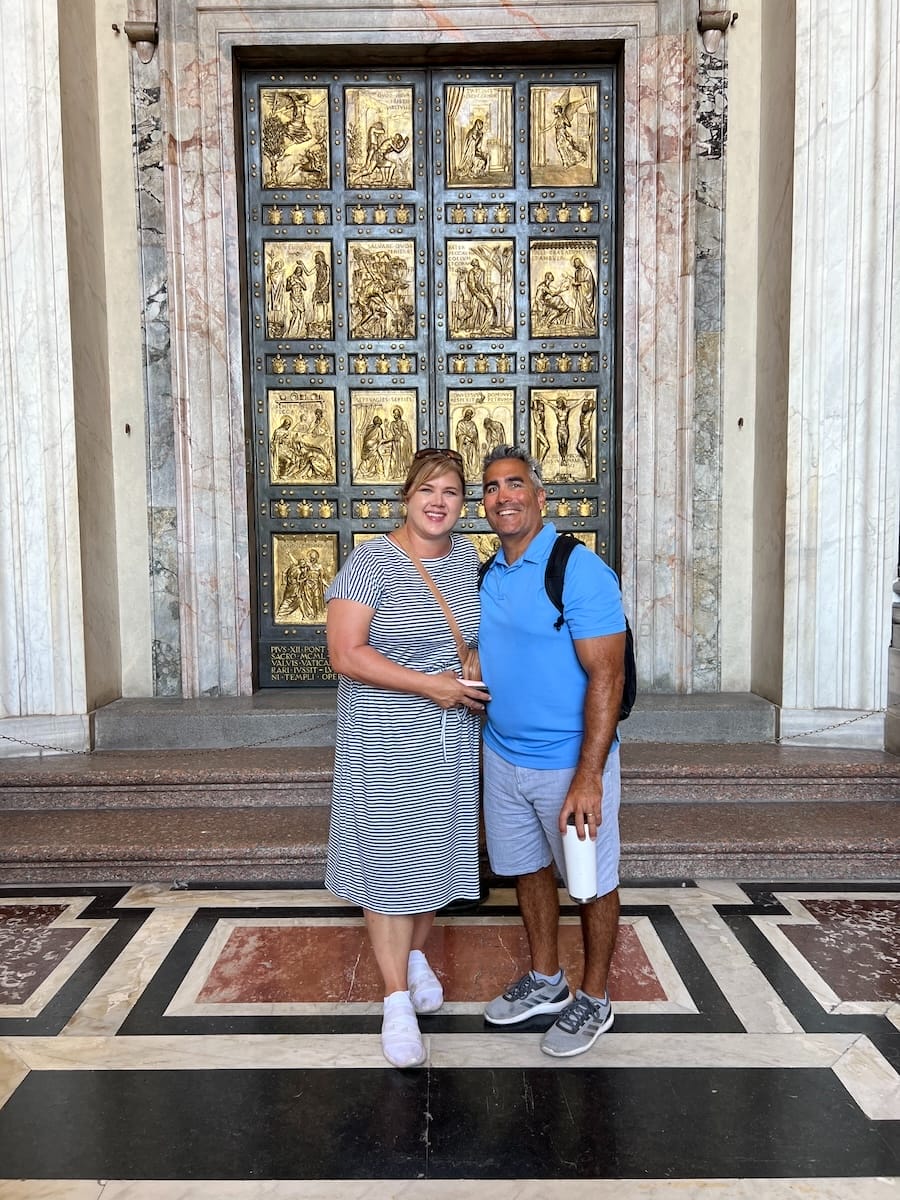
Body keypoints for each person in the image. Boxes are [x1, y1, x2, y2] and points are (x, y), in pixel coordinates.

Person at [324, 449, 489, 1069]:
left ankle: (416, 957)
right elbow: (346, 653)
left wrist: (469, 665)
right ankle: (395, 1001)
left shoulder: (468, 565)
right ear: (406, 498)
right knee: (390, 872)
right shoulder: (371, 562)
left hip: (450, 742)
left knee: (431, 864)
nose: (438, 502)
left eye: (450, 492)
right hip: (383, 742)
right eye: (428, 491)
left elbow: (470, 638)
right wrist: (432, 685)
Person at [477, 445, 626, 1057]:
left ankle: (594, 996)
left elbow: (607, 678)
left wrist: (589, 776)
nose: (503, 495)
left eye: (516, 484)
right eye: (491, 488)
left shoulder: (579, 569)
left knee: (589, 882)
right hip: (503, 757)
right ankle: (547, 980)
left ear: (541, 498)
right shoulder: (492, 572)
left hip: (571, 761)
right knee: (528, 871)